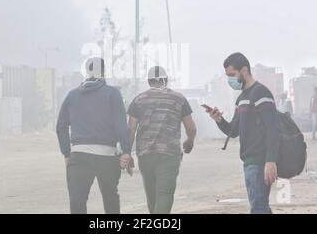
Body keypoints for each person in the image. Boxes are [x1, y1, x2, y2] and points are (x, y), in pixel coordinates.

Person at [207, 53, 280, 214]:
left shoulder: (261, 93)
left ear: (244, 71)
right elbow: (233, 131)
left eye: (232, 75)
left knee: (258, 207)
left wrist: (271, 161)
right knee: (260, 206)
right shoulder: (241, 98)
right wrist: (219, 119)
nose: (230, 80)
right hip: (248, 162)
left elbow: (273, 129)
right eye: (227, 76)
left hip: (259, 162)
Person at [56, 57, 131, 214]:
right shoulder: (113, 94)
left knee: (77, 201)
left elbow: (61, 126)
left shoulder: (72, 95)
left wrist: (67, 153)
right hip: (107, 156)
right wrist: (126, 151)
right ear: (104, 72)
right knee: (110, 197)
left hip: (79, 155)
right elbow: (121, 125)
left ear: (85, 72)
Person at [126, 66, 197, 214]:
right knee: (165, 194)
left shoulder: (139, 100)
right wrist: (189, 141)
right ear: (166, 80)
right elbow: (191, 127)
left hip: (145, 154)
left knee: (152, 196)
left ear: (148, 81)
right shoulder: (179, 99)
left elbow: (131, 129)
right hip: (169, 155)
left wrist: (127, 152)